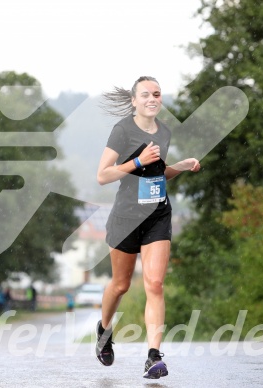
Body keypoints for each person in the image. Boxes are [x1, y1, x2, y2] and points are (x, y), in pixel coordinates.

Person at [95, 76, 201, 379]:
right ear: (134, 101)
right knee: (121, 285)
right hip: (126, 218)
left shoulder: (164, 131)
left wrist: (180, 167)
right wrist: (137, 161)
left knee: (154, 284)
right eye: (145, 94)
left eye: (157, 94)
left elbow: (159, 171)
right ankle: (104, 330)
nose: (152, 98)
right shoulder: (123, 130)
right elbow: (103, 175)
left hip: (157, 215)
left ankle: (153, 357)